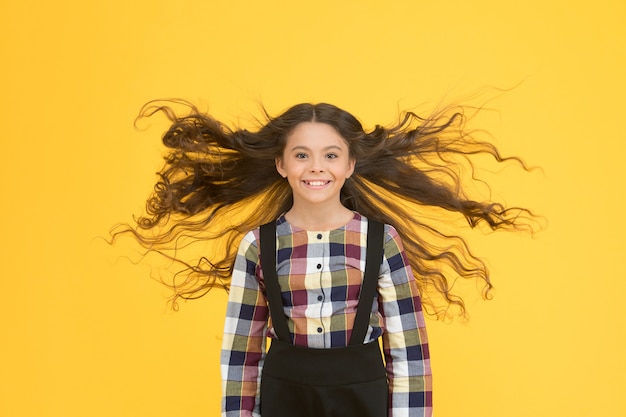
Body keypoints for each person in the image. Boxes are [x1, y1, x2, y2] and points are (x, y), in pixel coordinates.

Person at [112, 99, 535, 417]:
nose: (317, 168)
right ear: (281, 164)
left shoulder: (381, 240)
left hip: (361, 397)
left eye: (331, 155)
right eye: (302, 155)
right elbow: (242, 352)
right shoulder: (257, 245)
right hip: (284, 396)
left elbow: (410, 351)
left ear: (350, 164)